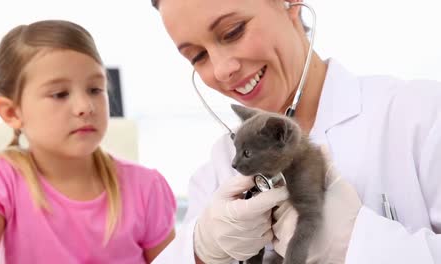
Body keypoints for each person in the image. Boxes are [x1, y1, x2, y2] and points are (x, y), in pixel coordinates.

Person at [149, 0, 441, 263]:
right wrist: (201, 250)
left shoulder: (421, 115)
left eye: (233, 31)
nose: (222, 70)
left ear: (291, 4)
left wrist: (358, 244)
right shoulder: (219, 166)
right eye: (197, 56)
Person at [0, 20, 176, 264]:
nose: (85, 107)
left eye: (95, 89)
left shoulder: (146, 187)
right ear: (12, 113)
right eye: (60, 94)